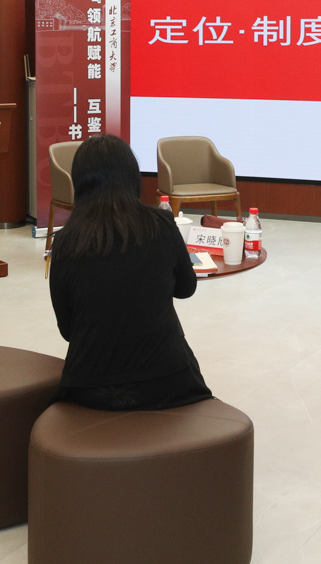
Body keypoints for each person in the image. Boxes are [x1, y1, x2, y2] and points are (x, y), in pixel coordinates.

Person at [48, 134, 213, 411]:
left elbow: (68, 330)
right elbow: (186, 289)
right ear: (132, 177)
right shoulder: (161, 224)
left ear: (79, 182)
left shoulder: (66, 241)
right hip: (169, 382)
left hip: (91, 389)